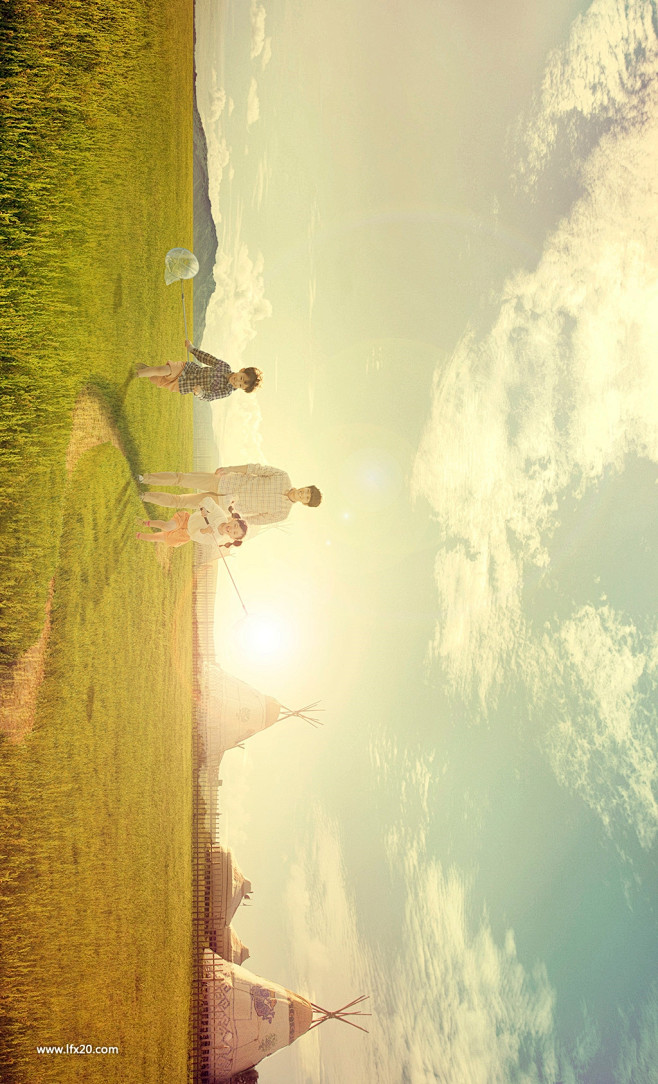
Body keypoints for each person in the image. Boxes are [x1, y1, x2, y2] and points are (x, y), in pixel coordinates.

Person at [139, 463, 322, 526]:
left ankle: (145, 496)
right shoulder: (283, 477)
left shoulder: (283, 513)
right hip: (224, 481)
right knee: (182, 479)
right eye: (306, 491)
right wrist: (229, 468)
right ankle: (144, 478)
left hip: (223, 505)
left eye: (306, 498)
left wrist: (231, 519)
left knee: (180, 502)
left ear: (305, 503)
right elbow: (255, 468)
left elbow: (255, 520)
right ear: (305, 487)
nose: (303, 494)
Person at [135, 339, 263, 402]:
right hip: (188, 370)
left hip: (183, 385)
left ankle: (146, 370)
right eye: (241, 378)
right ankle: (136, 374)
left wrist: (200, 393)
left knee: (156, 379)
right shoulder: (225, 366)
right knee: (163, 370)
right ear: (242, 370)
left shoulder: (226, 391)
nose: (237, 382)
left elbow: (210, 397)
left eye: (240, 385)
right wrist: (192, 349)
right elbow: (207, 358)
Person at [136, 499, 247, 552]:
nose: (232, 529)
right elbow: (208, 501)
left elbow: (196, 537)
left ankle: (138, 535)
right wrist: (203, 509)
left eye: (234, 533)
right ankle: (145, 523)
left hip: (186, 535)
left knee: (160, 538)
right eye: (235, 525)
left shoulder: (216, 538)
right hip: (186, 520)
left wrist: (204, 531)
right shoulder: (220, 515)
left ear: (232, 537)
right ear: (233, 520)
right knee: (166, 526)